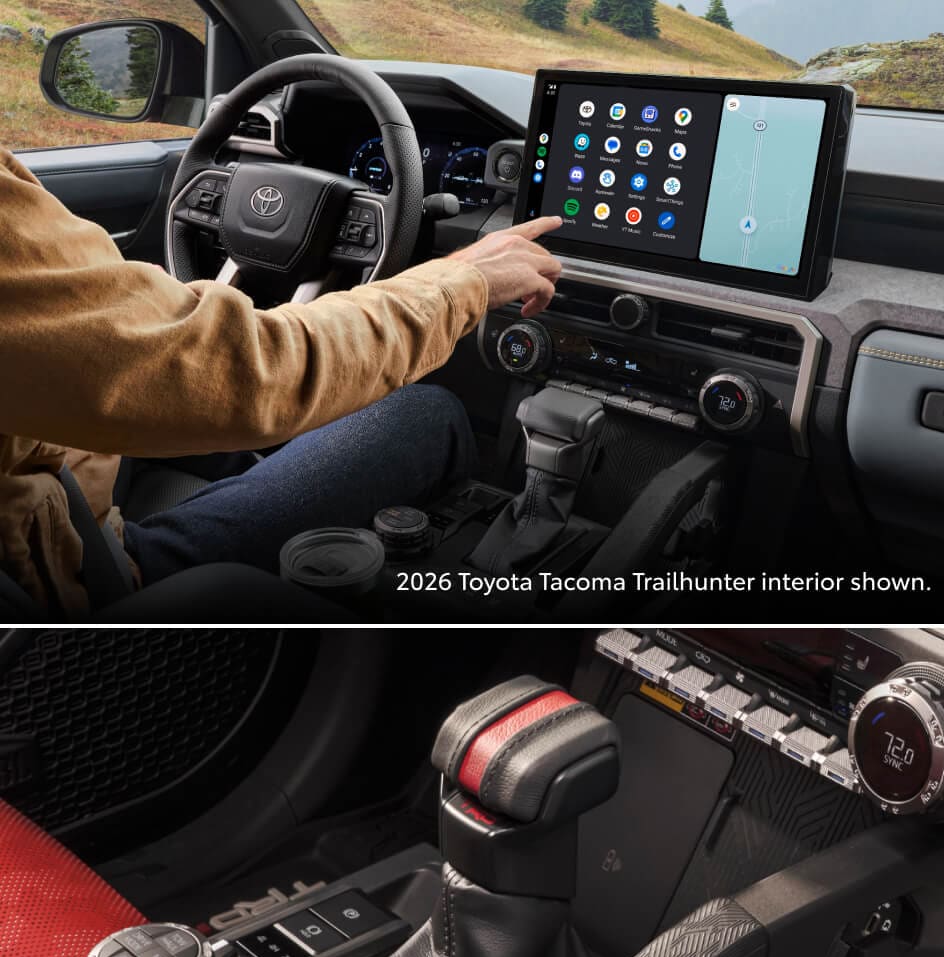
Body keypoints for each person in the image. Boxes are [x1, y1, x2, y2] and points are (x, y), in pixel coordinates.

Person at [0, 143, 565, 615]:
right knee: (424, 412)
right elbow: (254, 369)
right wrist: (459, 281)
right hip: (87, 582)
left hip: (51, 491)